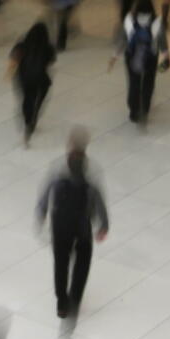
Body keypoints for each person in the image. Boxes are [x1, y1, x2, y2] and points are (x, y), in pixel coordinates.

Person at [37, 130, 109, 326]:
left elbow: (45, 195)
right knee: (82, 264)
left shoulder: (58, 169)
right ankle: (75, 298)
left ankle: (62, 302)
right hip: (81, 228)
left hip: (60, 227)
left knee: (61, 263)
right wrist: (103, 224)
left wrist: (41, 215)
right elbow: (98, 199)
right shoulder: (92, 171)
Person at [111, 0, 169, 125]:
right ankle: (145, 110)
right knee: (148, 83)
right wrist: (166, 57)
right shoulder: (157, 22)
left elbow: (122, 40)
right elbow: (163, 42)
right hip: (151, 57)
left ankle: (134, 110)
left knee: (133, 83)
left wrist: (115, 56)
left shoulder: (129, 20)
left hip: (132, 56)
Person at [9, 22, 56, 145]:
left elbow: (13, 59)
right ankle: (35, 116)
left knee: (27, 99)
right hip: (40, 78)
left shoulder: (22, 45)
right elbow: (51, 61)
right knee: (40, 98)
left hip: (24, 78)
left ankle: (27, 122)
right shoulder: (48, 48)